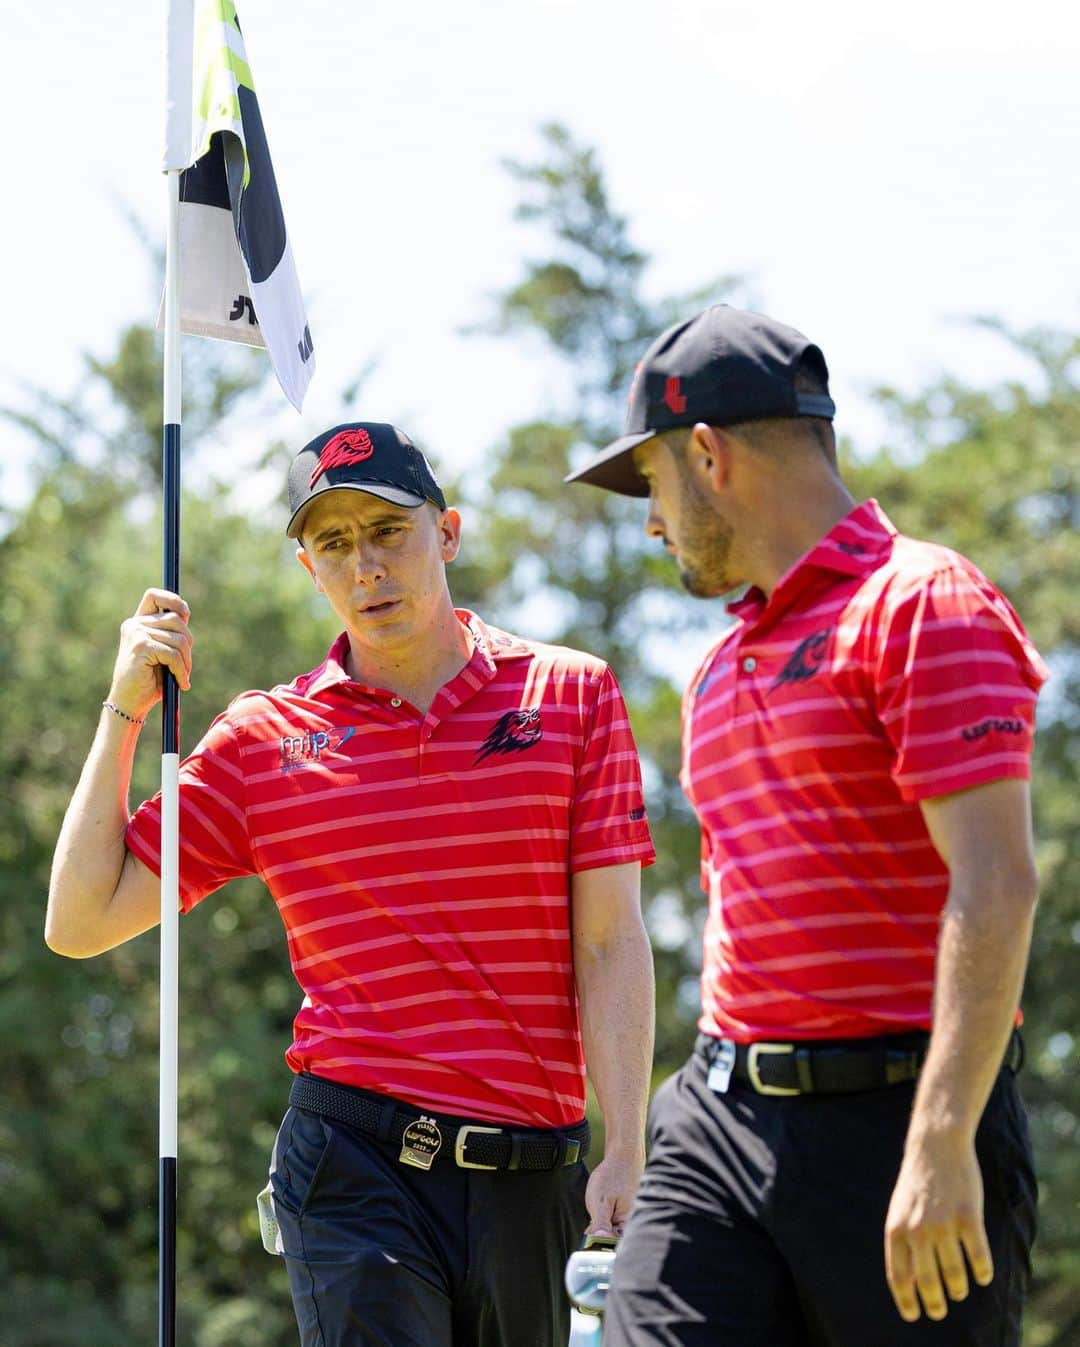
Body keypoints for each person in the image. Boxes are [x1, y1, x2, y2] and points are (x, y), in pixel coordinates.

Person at [47, 421, 657, 1347]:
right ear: (310, 568)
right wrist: (125, 708)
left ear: (446, 534)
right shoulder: (263, 739)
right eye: (333, 542)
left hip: (531, 1168)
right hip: (354, 1159)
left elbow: (611, 939)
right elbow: (81, 918)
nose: (366, 565)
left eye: (388, 532)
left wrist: (627, 1142)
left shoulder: (572, 695)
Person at [566, 306, 1046, 1347]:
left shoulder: (925, 606)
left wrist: (943, 1137)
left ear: (707, 455)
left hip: (902, 1124)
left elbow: (998, 884)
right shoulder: (715, 669)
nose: (651, 521)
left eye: (650, 483)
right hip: (721, 1112)